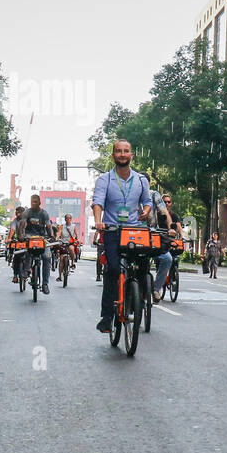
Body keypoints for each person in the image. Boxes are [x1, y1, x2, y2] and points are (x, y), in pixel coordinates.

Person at [92, 140, 152, 332]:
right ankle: (107, 317)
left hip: (135, 231)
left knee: (143, 266)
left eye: (126, 151)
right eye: (118, 151)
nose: (122, 154)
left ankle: (139, 298)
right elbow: (98, 202)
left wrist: (146, 210)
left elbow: (147, 200)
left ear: (131, 155)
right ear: (113, 156)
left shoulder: (141, 180)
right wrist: (98, 221)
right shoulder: (104, 180)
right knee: (113, 269)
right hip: (112, 230)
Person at [21, 193, 54, 294]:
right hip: (29, 236)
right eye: (32, 202)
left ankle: (45, 284)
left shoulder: (44, 213)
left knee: (47, 257)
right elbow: (22, 224)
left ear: (39, 203)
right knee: (28, 252)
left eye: (35, 202)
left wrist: (51, 236)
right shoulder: (27, 213)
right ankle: (26, 270)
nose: (33, 204)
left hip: (42, 238)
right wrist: (21, 235)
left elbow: (48, 226)